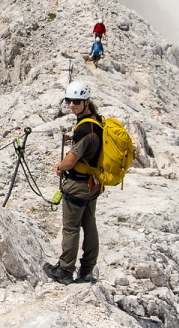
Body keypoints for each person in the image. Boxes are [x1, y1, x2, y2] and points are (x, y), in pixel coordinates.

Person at [48, 81, 104, 283]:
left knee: (71, 228)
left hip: (78, 185)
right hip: (93, 184)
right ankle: (87, 269)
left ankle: (64, 271)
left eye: (77, 101)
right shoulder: (96, 121)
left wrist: (61, 166)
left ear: (86, 102)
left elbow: (71, 160)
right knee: (89, 225)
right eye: (69, 100)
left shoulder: (84, 128)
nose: (72, 104)